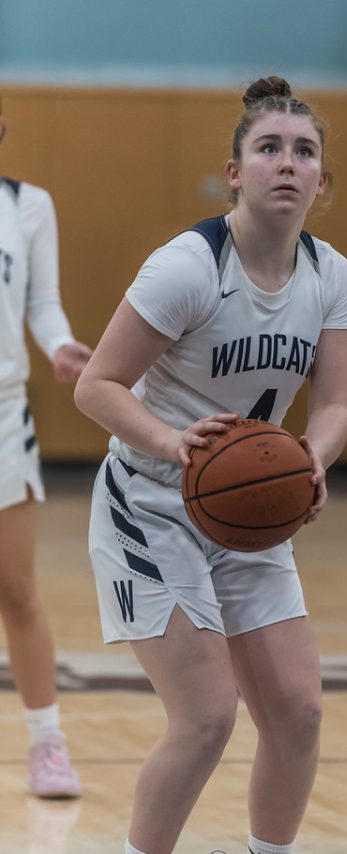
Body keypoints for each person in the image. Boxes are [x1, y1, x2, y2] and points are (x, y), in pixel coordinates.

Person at [74, 75, 347, 854]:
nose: (286, 163)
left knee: (298, 713)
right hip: (152, 502)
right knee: (205, 718)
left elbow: (333, 405)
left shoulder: (330, 274)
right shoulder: (187, 267)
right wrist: (173, 444)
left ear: (320, 180)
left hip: (249, 516)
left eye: (303, 152)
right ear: (234, 172)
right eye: (267, 148)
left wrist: (312, 461)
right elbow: (97, 385)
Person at [0, 102, 91, 798]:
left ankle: (47, 742)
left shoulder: (29, 207)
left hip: (3, 413)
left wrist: (60, 345)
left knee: (16, 588)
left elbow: (42, 302)